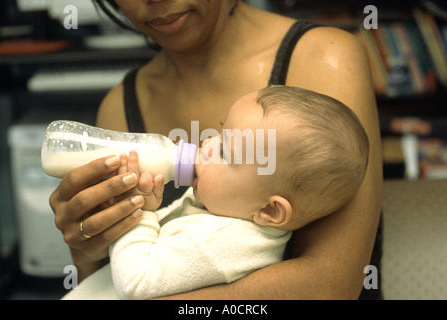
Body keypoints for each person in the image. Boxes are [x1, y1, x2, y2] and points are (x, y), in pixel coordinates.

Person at [50, 0, 383, 299]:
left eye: (227, 150)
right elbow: (101, 284)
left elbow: (329, 287)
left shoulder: (324, 57)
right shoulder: (119, 106)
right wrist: (87, 247)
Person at [62, 85, 369, 299]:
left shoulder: (221, 244)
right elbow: (162, 239)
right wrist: (146, 207)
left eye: (225, 152)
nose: (206, 145)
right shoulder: (222, 207)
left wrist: (138, 214)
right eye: (221, 132)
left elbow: (135, 283)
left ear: (270, 211)